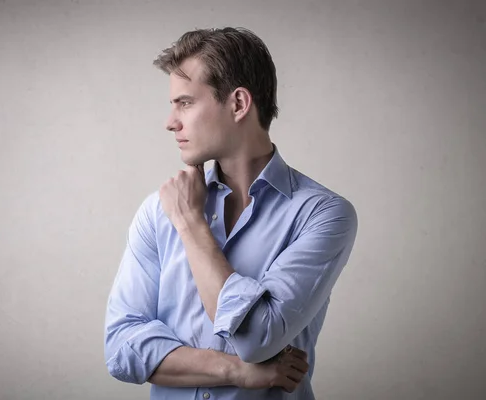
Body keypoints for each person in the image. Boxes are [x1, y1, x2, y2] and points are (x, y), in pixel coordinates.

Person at [104, 27, 358, 399]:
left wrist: (191, 225)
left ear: (238, 104)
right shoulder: (157, 212)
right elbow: (121, 350)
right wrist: (236, 371)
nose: (170, 122)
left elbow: (257, 338)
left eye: (185, 103)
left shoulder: (322, 215)